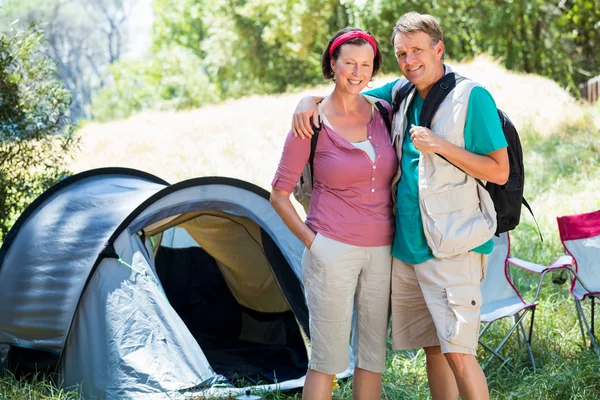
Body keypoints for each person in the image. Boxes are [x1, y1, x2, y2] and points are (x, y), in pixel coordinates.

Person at [290, 12, 509, 400]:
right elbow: (348, 91)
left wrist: (440, 145)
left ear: (439, 49)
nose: (409, 61)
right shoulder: (401, 94)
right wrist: (307, 100)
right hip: (407, 250)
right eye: (401, 53)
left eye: (418, 50)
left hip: (453, 246)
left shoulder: (471, 97)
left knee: (460, 353)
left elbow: (499, 171)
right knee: (434, 349)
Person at [270, 27, 397, 400]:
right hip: (331, 250)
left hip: (382, 252)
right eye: (349, 63)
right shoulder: (310, 122)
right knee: (326, 360)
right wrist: (316, 244)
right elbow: (278, 195)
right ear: (332, 63)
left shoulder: (383, 112)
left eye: (366, 65)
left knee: (372, 358)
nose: (357, 72)